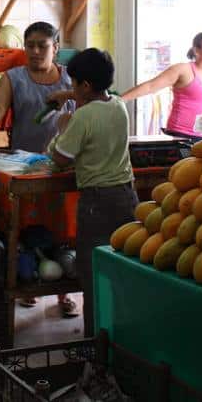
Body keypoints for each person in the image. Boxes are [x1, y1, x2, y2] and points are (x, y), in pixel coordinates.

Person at [0, 21, 78, 319]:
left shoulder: (72, 80)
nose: (35, 51)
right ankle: (29, 286)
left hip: (64, 167)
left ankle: (64, 292)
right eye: (30, 45)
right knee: (24, 230)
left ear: (56, 48)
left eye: (42, 46)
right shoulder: (13, 78)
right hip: (23, 168)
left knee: (63, 229)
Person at [46, 48, 136, 337]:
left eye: (73, 84)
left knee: (93, 274)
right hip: (126, 198)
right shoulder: (119, 105)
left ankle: (94, 347)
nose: (71, 89)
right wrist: (70, 97)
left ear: (85, 85)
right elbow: (96, 103)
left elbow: (61, 158)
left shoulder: (82, 118)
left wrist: (62, 128)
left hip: (97, 203)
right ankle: (123, 340)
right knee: (121, 272)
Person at [121, 31, 202, 138]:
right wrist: (119, 100)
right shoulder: (183, 70)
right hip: (180, 135)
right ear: (196, 50)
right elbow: (150, 86)